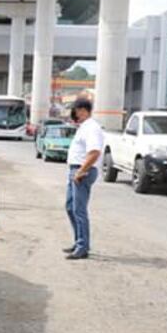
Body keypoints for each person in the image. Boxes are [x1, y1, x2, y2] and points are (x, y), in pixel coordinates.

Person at [64, 98, 103, 260]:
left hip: (83, 171)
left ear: (82, 110)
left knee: (79, 210)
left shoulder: (92, 128)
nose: (75, 115)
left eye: (75, 111)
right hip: (76, 170)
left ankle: (82, 246)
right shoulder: (84, 127)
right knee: (70, 207)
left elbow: (94, 152)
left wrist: (81, 171)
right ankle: (78, 241)